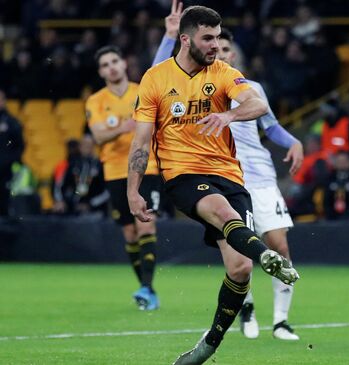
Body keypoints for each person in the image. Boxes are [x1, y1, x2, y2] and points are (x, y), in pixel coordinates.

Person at [127, 6, 299, 364]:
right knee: (222, 212)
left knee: (240, 269)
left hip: (230, 175)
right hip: (183, 176)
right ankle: (265, 253)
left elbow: (256, 102)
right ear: (186, 39)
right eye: (208, 37)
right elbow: (141, 143)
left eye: (218, 37)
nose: (215, 44)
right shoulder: (155, 79)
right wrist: (133, 190)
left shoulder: (223, 72)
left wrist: (229, 114)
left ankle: (209, 345)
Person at [86, 44, 163, 310]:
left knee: (146, 225)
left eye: (115, 61)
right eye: (106, 64)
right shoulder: (95, 101)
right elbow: (97, 135)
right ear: (101, 72)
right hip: (115, 171)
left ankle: (147, 288)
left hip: (147, 167)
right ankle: (146, 287)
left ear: (124, 63)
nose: (112, 67)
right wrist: (124, 127)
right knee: (130, 234)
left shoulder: (141, 91)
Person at [56, 135, 110, 217]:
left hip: (95, 210)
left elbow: (107, 191)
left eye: (89, 145)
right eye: (84, 145)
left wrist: (90, 204)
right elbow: (60, 184)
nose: (86, 148)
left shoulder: (99, 166)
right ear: (80, 146)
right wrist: (61, 200)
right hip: (73, 208)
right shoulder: (73, 164)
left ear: (93, 147)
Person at [0, 89, 24, 217]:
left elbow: (19, 146)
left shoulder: (12, 122)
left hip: (6, 172)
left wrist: (9, 162)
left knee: (5, 203)